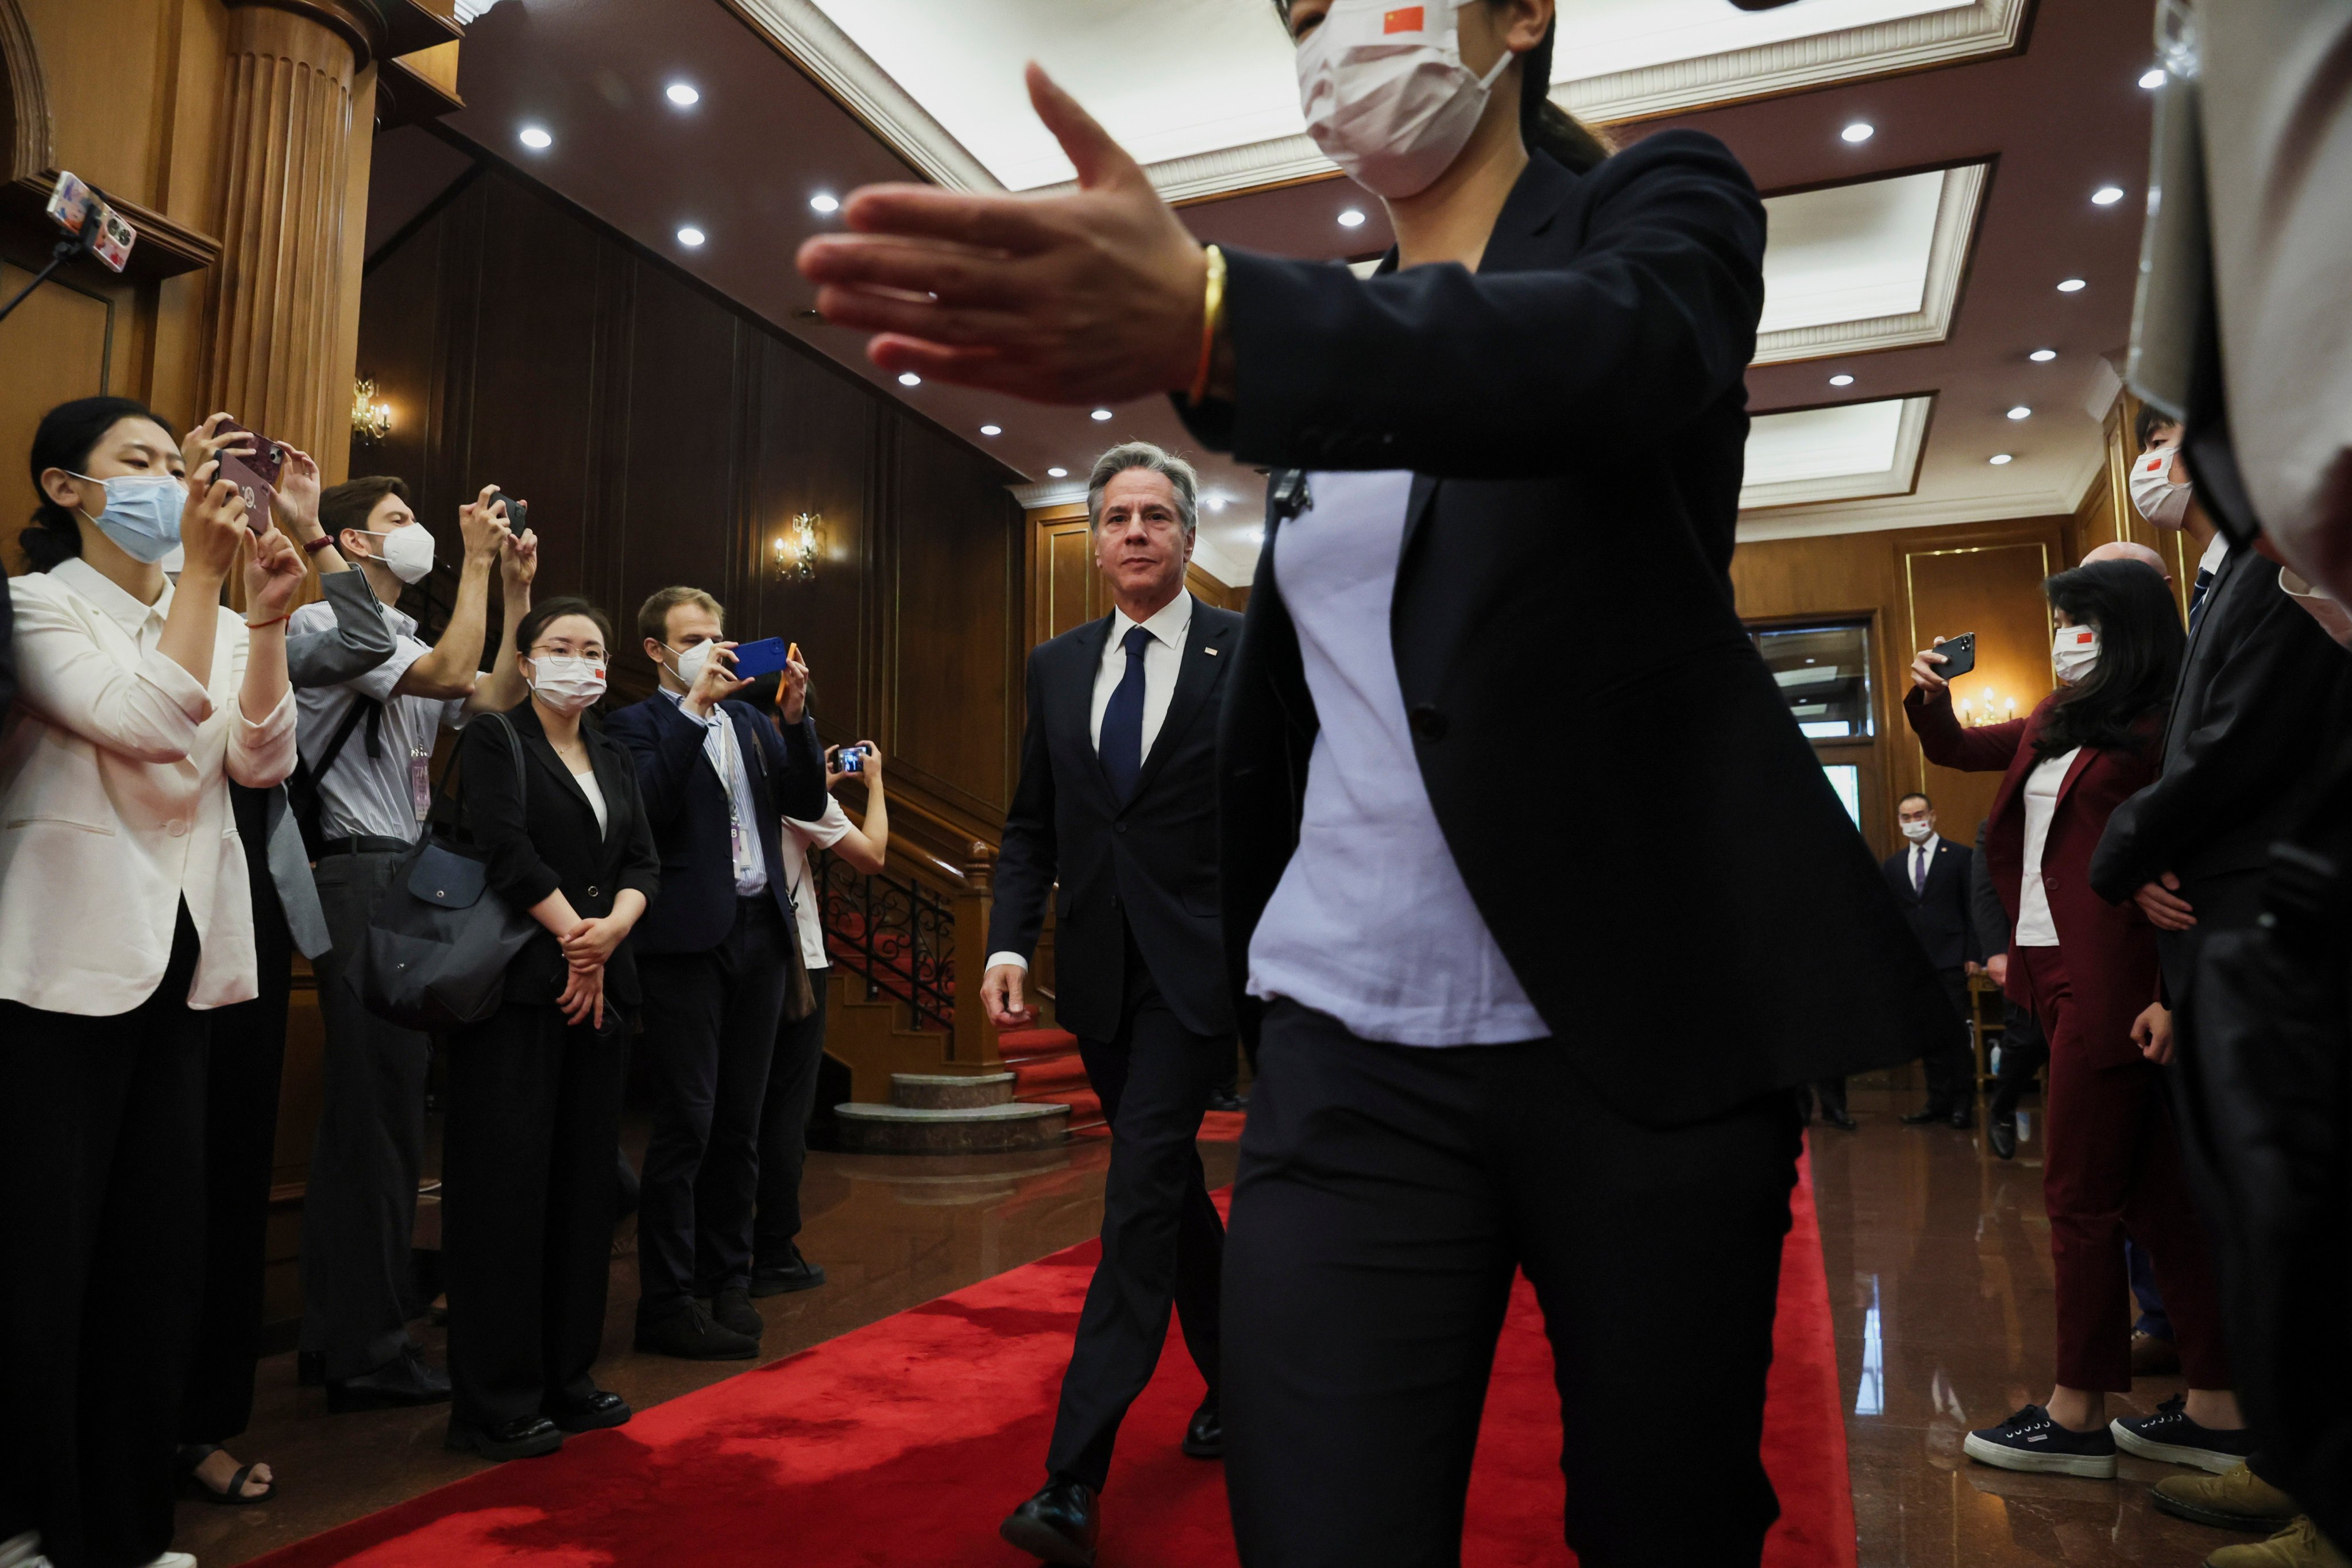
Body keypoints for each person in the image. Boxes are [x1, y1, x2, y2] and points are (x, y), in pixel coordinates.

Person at [801, 4, 1962, 1561]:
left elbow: (1603, 353)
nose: (1323, 32)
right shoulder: (1339, 337)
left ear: (1519, 14)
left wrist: (1218, 322)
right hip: (1347, 1048)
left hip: (1639, 1035)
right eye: (1290, 14)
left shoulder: (1655, 206)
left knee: (1661, 1520)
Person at [1, 396, 304, 1568]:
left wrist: (265, 623)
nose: (175, 484)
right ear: (65, 488)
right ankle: (31, 1523)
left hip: (187, 964)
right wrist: (205, 594)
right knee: (45, 1266)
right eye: (139, 464)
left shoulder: (218, 621)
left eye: (183, 464)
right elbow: (141, 717)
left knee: (151, 1263)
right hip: (58, 968)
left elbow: (259, 757)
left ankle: (125, 1531)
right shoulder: (35, 608)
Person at [1905, 561, 2250, 1480]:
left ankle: (2076, 1412)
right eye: (2059, 617)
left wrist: (2168, 989)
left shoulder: (2161, 719)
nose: (2064, 633)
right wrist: (1928, 699)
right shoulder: (2058, 717)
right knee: (2154, 1201)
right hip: (2047, 964)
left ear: (2125, 626)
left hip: (2112, 973)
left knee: (2076, 1199)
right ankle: (2218, 1407)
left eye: (2080, 618)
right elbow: (1960, 752)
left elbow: (2198, 840)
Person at [981, 442, 1243, 1565]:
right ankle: (1239, 1384)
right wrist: (1003, 936)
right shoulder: (1055, 666)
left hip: (1197, 975)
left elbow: (1288, 806)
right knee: (1169, 1187)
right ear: (1093, 544)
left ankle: (1071, 1478)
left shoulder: (1247, 653)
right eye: (1117, 517)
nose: (1136, 531)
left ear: (1186, 537)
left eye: (1156, 515)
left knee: (1136, 1201)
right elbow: (1032, 821)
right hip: (1094, 977)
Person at [181, 440, 399, 1506]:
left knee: (226, 1165)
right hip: (125, 913)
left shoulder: (261, 623)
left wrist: (310, 526)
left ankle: (196, 1426)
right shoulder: (89, 611)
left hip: (250, 902)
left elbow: (359, 638)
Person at [295, 476, 535, 1412]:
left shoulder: (403, 636)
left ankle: (343, 1333)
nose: (419, 532)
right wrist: (474, 566)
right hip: (357, 871)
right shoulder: (327, 628)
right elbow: (444, 678)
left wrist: (512, 593)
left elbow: (495, 698)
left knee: (377, 1113)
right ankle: (367, 1347)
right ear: (353, 545)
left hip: (405, 872)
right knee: (379, 1120)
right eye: (396, 521)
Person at [440, 596, 658, 1462]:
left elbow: (643, 857)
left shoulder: (613, 751)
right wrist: (577, 938)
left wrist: (609, 936)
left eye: (593, 649)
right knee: (504, 1192)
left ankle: (569, 1376)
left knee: (582, 1189)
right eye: (560, 647)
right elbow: (505, 847)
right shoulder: (499, 738)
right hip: (520, 990)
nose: (580, 660)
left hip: (601, 986)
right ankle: (494, 1398)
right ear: (527, 662)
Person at [604, 586, 828, 1360]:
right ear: (657, 651)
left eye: (720, 636)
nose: (715, 649)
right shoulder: (633, 724)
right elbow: (648, 809)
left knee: (742, 1120)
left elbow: (803, 800)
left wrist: (795, 717)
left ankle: (727, 1279)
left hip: (759, 936)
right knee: (687, 1122)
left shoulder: (751, 721)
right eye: (694, 637)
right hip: (683, 943)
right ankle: (665, 1300)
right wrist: (692, 710)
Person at [753, 731, 888, 1297]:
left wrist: (821, 781)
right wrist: (875, 784)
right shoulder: (800, 793)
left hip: (731, 956)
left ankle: (717, 1248)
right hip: (795, 961)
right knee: (786, 1113)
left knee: (732, 1111)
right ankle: (775, 1251)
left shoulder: (736, 776)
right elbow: (873, 855)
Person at [1884, 791, 1982, 1129]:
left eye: (1919, 814)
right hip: (1915, 963)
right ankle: (1936, 1101)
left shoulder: (1959, 856)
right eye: (1907, 817)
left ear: (1933, 815)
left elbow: (1973, 909)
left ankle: (1961, 1105)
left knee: (1956, 1034)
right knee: (1927, 1034)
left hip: (1952, 958)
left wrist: (1973, 954)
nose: (1914, 822)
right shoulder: (1894, 865)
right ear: (1900, 822)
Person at [1971, 817, 2050, 1164]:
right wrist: (1995, 952)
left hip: (2080, 944)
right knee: (2027, 1038)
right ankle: (2002, 1111)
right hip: (2025, 947)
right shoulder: (1998, 825)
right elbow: (1985, 891)